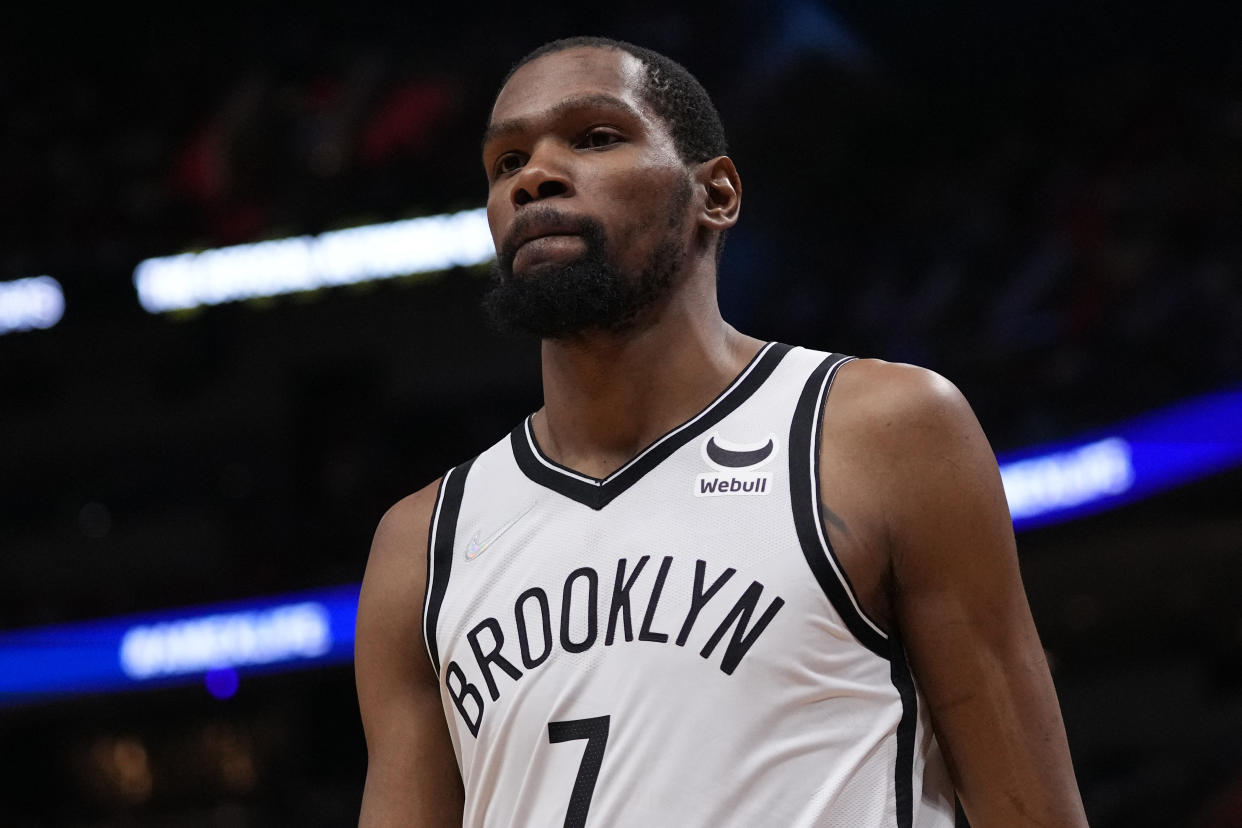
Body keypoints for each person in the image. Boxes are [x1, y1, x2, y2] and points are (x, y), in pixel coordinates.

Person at [354, 35, 1089, 828]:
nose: (534, 176)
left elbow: (1030, 809)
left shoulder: (883, 432)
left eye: (596, 137)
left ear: (718, 194)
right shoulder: (420, 543)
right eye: (505, 163)